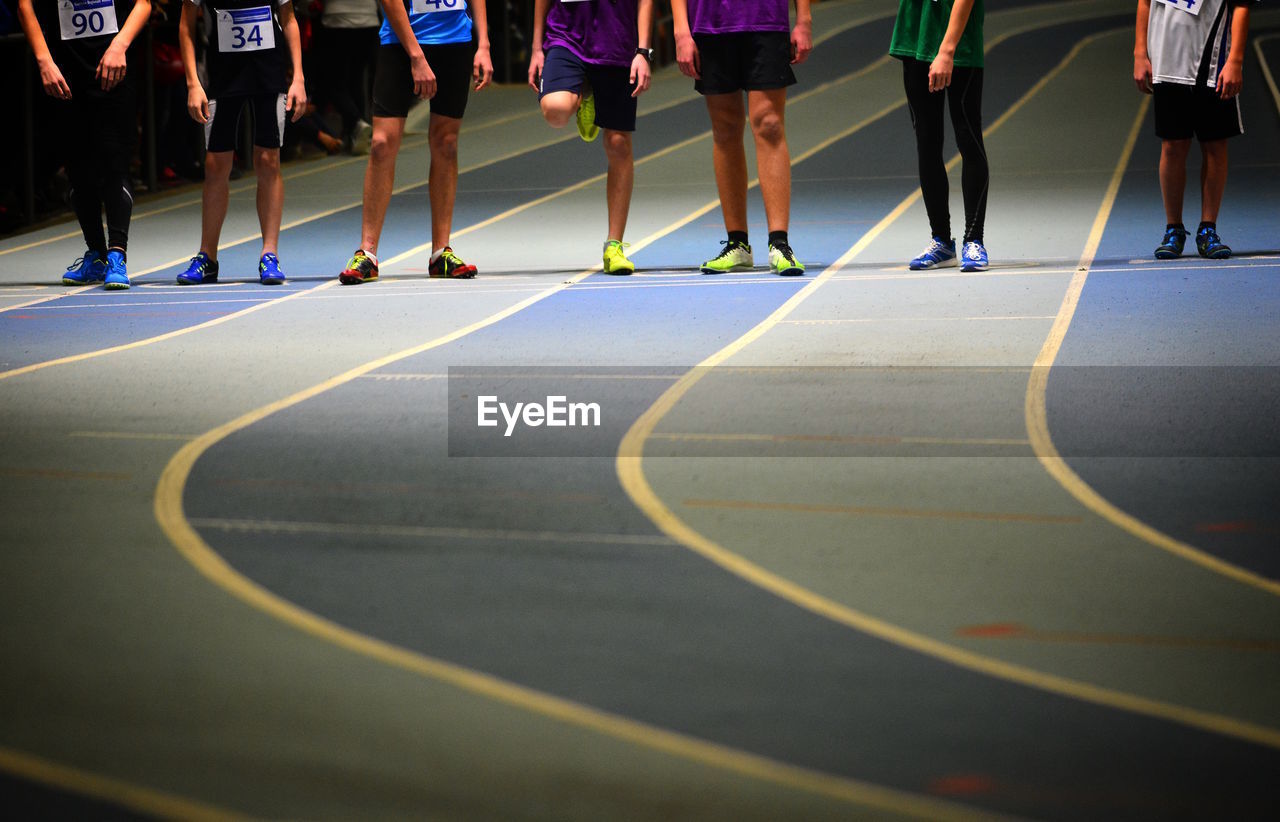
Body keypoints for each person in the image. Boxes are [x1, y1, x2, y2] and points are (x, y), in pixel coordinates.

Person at [337, 0, 493, 285]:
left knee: (446, 143)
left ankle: (440, 253)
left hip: (454, 42)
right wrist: (416, 56)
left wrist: (483, 43)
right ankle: (367, 254)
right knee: (382, 143)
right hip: (401, 42)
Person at [17, 0, 153, 290]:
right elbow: (25, 5)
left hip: (114, 71)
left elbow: (143, 4)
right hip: (64, 74)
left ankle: (117, 255)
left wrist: (120, 46)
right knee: (78, 168)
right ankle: (96, 255)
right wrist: (44, 60)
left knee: (115, 163)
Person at [670, 0, 811, 276]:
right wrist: (681, 31)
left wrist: (804, 19)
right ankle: (737, 244)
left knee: (769, 124)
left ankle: (779, 243)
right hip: (710, 23)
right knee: (725, 129)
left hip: (766, 18)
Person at [177, 0, 307, 285]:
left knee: (267, 160)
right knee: (215, 165)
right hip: (221, 77)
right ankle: (207, 257)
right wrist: (192, 82)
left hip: (268, 75)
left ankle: (269, 254)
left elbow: (289, 19)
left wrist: (298, 77)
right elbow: (186, 26)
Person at [528, 0, 653, 275]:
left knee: (618, 143)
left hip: (617, 41)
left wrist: (643, 51)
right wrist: (537, 48)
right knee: (555, 109)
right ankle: (584, 94)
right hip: (566, 34)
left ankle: (614, 245)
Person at [1135, 0, 1254, 261]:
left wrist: (1235, 60)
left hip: (1214, 64)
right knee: (1172, 146)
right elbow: (1144, 2)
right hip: (1167, 64)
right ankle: (1173, 230)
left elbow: (1241, 6)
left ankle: (1208, 229)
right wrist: (1140, 54)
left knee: (1214, 145)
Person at [889, 0, 989, 272]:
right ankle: (941, 241)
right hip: (915, 37)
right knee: (927, 143)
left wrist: (946, 49)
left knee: (968, 138)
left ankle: (974, 240)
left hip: (959, 41)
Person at [313, 0, 379, 154]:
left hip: (338, 19)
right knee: (356, 79)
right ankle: (354, 133)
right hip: (369, 19)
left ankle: (356, 122)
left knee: (333, 83)